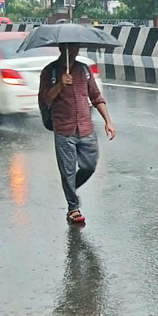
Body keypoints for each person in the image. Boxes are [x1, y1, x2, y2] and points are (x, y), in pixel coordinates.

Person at [39, 44, 116, 226]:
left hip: (85, 128)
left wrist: (108, 121)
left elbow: (96, 96)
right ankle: (73, 208)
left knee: (89, 165)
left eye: (74, 49)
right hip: (64, 130)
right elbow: (46, 98)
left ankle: (70, 189)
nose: (72, 52)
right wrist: (60, 84)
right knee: (67, 171)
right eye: (68, 49)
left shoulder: (84, 70)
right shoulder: (49, 72)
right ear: (61, 49)